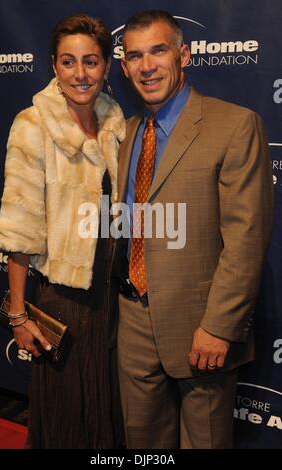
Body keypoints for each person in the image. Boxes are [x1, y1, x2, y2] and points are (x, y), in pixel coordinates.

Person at [114, 9, 273, 449]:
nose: (147, 66)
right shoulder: (126, 133)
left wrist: (220, 326)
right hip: (132, 319)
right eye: (134, 56)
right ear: (124, 67)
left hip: (200, 325)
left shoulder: (235, 125)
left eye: (158, 51)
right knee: (141, 443)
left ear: (183, 54)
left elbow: (247, 238)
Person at [0, 13, 126, 449]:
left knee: (108, 417)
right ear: (53, 64)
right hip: (65, 302)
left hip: (115, 300)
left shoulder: (115, 124)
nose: (80, 73)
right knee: (67, 421)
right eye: (68, 62)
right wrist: (18, 316)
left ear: (106, 65)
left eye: (91, 61)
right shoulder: (33, 125)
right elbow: (19, 230)